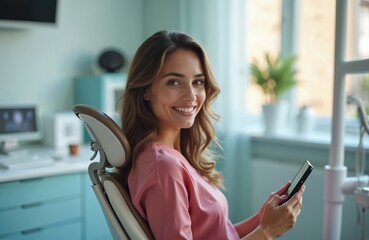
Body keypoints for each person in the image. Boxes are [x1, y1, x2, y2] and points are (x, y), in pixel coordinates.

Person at [119, 30, 305, 240]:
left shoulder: (172, 156)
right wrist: (267, 232)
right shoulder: (163, 167)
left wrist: (263, 219)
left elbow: (216, 234)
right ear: (145, 90)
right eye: (174, 82)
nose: (191, 96)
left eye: (198, 82)